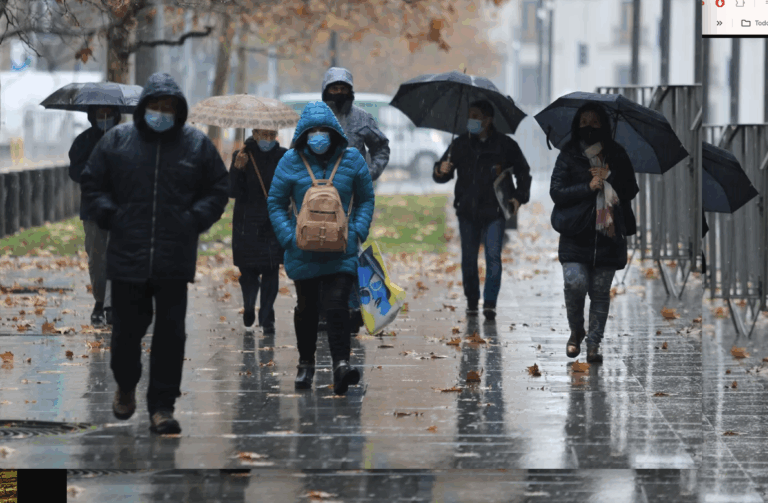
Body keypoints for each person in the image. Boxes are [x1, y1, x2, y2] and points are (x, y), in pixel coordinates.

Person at [80, 73, 229, 434]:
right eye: (155, 106)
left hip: (174, 258)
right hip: (127, 257)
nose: (161, 113)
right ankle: (126, 385)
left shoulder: (196, 145)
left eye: (168, 107)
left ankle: (162, 406)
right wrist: (112, 215)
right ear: (143, 107)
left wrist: (195, 219)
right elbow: (92, 181)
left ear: (179, 111)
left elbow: (218, 188)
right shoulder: (117, 141)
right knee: (128, 332)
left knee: (170, 334)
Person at [267, 101, 375, 396]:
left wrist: (356, 232)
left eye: (322, 130)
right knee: (308, 308)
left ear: (333, 132)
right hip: (303, 250)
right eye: (311, 131)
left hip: (342, 249)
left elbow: (366, 198)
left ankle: (341, 364)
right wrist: (289, 237)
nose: (317, 136)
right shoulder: (290, 161)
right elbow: (275, 203)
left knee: (338, 304)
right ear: (303, 134)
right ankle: (306, 364)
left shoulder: (352, 159)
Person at [549, 102, 639, 363]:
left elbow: (631, 189)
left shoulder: (617, 154)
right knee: (574, 284)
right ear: (577, 125)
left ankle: (594, 345)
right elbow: (557, 193)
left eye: (595, 122)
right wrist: (588, 187)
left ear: (604, 125)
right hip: (575, 234)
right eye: (584, 122)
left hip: (607, 235)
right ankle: (576, 331)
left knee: (600, 292)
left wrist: (612, 182)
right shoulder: (568, 155)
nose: (589, 127)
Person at [433, 100, 532, 320]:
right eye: (470, 115)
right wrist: (441, 170)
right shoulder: (460, 144)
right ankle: (471, 301)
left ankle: (489, 303)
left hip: (495, 212)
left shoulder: (505, 145)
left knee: (493, 257)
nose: (472, 121)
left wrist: (518, 198)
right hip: (467, 211)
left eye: (476, 116)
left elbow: (523, 172)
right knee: (468, 259)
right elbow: (442, 173)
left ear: (488, 120)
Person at [320, 67, 390, 335]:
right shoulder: (317, 118)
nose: (338, 93)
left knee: (350, 252)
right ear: (326, 91)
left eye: (343, 88)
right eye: (333, 88)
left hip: (354, 200)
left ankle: (351, 309)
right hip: (320, 199)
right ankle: (324, 310)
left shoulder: (363, 119)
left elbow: (381, 147)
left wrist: (370, 174)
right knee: (320, 252)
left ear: (350, 90)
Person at [68, 105, 121, 327]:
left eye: (110, 113)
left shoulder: (125, 138)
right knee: (97, 259)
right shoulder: (83, 141)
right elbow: (75, 171)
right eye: (101, 113)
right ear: (93, 115)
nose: (105, 117)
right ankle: (100, 301)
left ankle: (111, 306)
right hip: (92, 210)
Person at [229, 128, 287, 332]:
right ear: (254, 133)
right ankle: (248, 305)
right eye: (263, 135)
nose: (268, 139)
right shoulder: (243, 155)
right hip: (246, 223)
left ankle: (266, 316)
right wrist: (237, 169)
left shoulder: (284, 156)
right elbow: (232, 191)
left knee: (271, 269)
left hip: (273, 221)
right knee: (248, 271)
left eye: (272, 135)